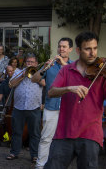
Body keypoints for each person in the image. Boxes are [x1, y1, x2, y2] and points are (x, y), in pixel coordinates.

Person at [45, 31, 106, 169]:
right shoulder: (67, 70)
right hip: (64, 132)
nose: (93, 53)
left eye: (95, 48)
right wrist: (69, 88)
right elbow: (51, 92)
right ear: (78, 50)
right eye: (88, 49)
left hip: (90, 134)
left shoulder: (103, 74)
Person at [31, 37, 73, 169]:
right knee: (46, 138)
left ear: (70, 49)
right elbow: (34, 79)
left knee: (66, 140)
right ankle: (40, 165)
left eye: (64, 47)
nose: (61, 49)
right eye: (60, 46)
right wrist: (44, 68)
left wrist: (63, 64)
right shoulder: (51, 65)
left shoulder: (73, 66)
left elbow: (77, 79)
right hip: (51, 107)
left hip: (68, 108)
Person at [6, 53, 45, 163]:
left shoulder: (40, 72)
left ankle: (34, 155)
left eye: (32, 62)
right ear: (25, 63)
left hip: (34, 107)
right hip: (19, 107)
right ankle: (14, 152)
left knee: (35, 133)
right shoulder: (18, 72)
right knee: (16, 131)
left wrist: (34, 74)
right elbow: (11, 84)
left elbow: (44, 83)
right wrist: (23, 75)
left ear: (36, 64)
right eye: (28, 62)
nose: (30, 64)